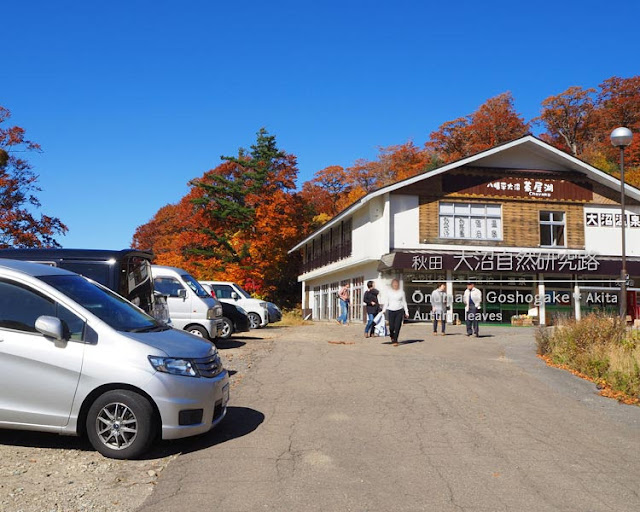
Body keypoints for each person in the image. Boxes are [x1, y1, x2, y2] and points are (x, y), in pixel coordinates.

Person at [382, 278, 409, 346]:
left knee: (397, 326)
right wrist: (384, 310)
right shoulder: (389, 292)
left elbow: (404, 302)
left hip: (399, 310)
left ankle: (395, 340)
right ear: (392, 285)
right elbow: (386, 302)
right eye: (394, 284)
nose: (395, 285)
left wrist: (406, 312)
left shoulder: (401, 292)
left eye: (396, 284)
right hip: (391, 310)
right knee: (391, 327)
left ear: (398, 285)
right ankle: (392, 335)